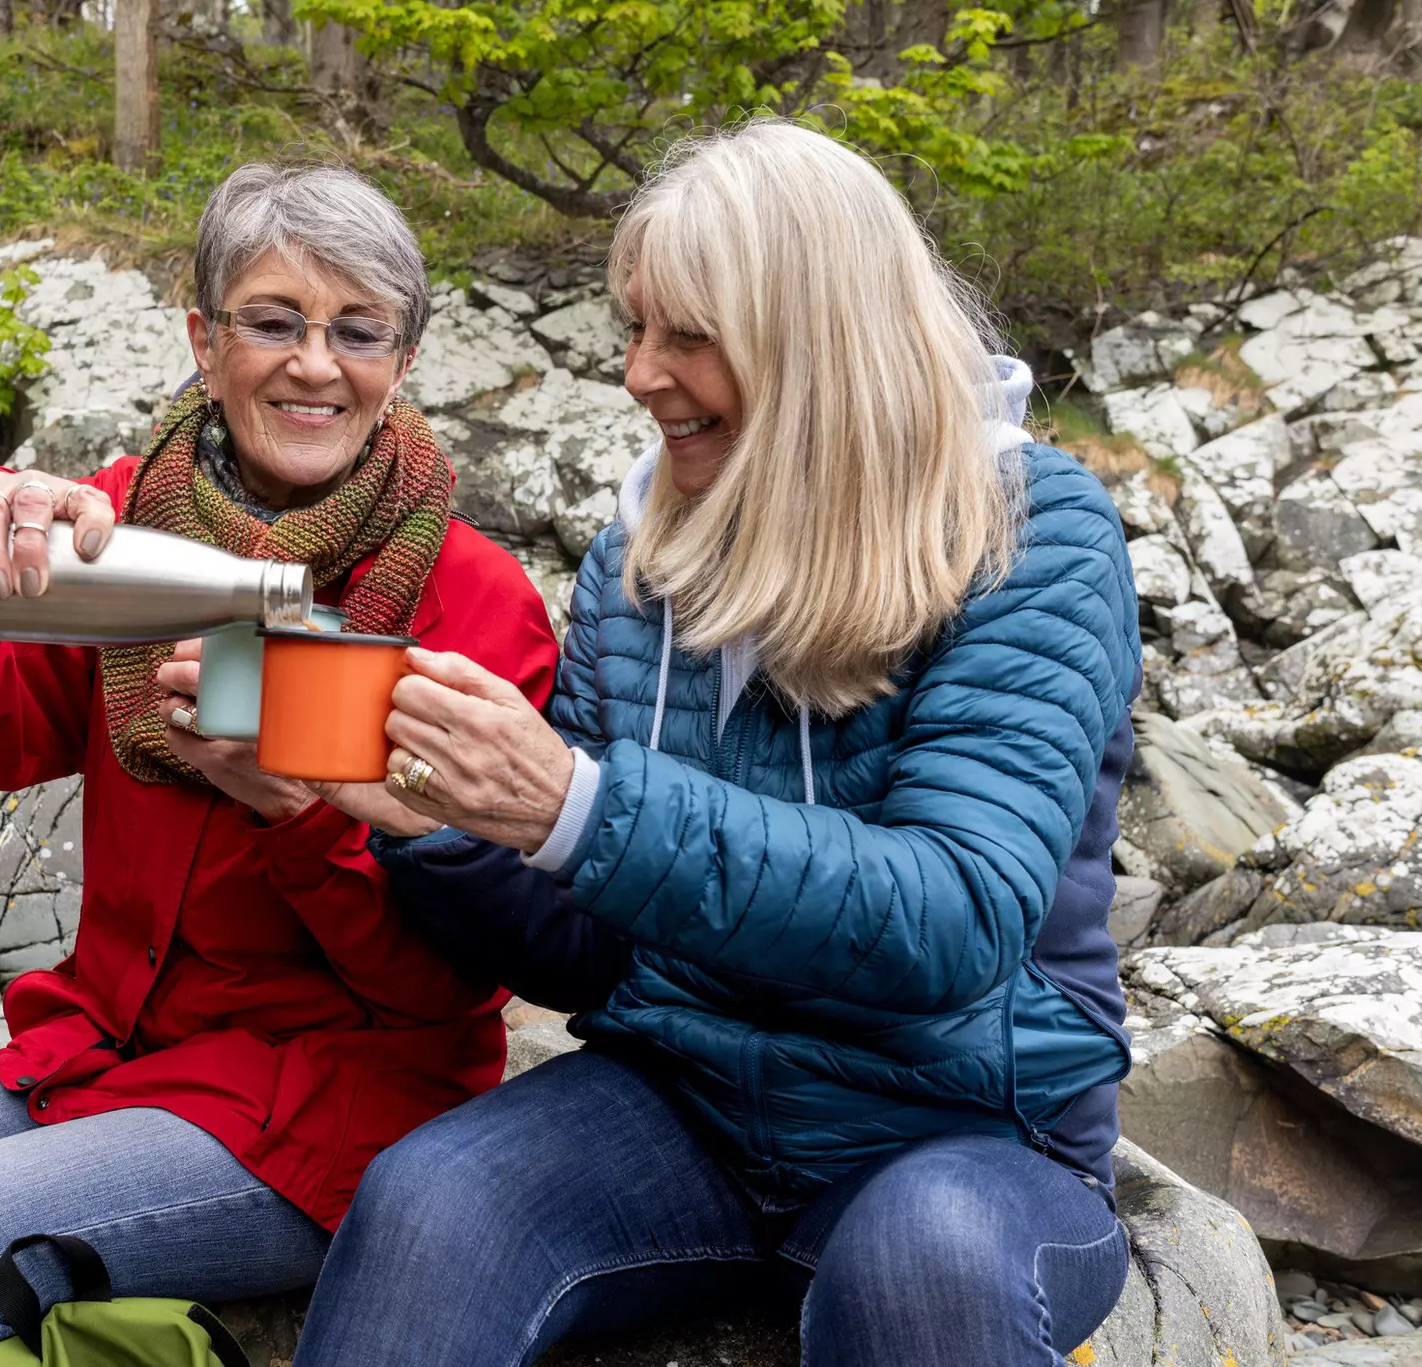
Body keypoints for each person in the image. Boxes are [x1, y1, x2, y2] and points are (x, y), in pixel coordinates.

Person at [294, 119, 1142, 1367]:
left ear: (817, 342)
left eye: (686, 334)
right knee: (430, 1201)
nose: (639, 373)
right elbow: (584, 955)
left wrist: (574, 805)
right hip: (680, 1097)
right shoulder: (639, 559)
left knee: (927, 1263)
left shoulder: (1032, 536)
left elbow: (956, 914)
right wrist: (441, 830)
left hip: (969, 1119)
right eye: (632, 329)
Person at [0, 162, 559, 1367]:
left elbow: (455, 982)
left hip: (332, 1098)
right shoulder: (116, 525)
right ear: (202, 337)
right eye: (272, 321)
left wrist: (295, 813)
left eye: (359, 331)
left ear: (404, 360)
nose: (314, 364)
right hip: (117, 1043)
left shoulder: (474, 603)